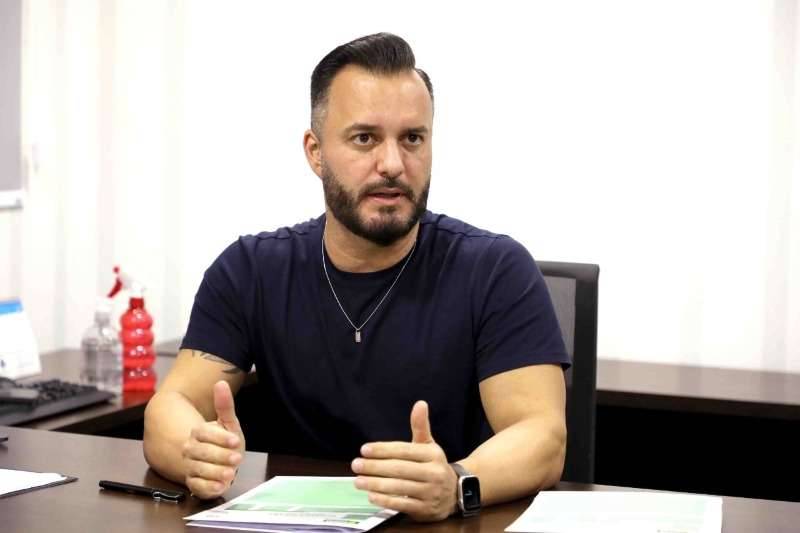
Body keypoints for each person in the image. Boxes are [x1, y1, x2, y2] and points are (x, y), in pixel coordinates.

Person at [143, 32, 570, 522]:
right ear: (315, 152)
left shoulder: (495, 269)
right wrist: (195, 452)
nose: (392, 164)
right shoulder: (250, 270)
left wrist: (456, 483)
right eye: (365, 138)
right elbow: (168, 409)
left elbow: (543, 437)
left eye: (412, 138)